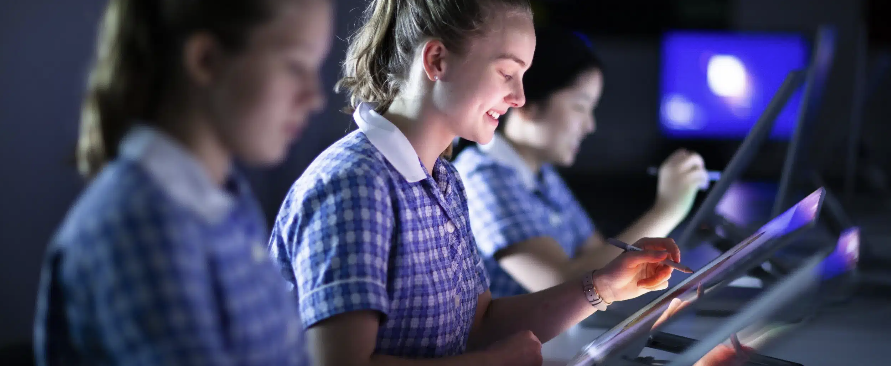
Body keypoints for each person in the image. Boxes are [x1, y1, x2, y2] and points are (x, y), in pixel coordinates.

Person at [269, 2, 683, 365]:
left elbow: (479, 324)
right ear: (436, 61)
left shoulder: (444, 178)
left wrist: (602, 287)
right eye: (507, 72)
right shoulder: (355, 186)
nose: (520, 97)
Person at [32, 0, 332, 364]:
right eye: (295, 66)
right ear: (206, 60)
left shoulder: (227, 202)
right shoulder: (138, 230)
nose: (315, 99)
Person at [452, 27, 709, 298]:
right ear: (526, 103)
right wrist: (668, 209)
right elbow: (562, 282)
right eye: (579, 107)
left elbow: (598, 255)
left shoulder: (541, 175)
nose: (589, 125)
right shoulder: (484, 176)